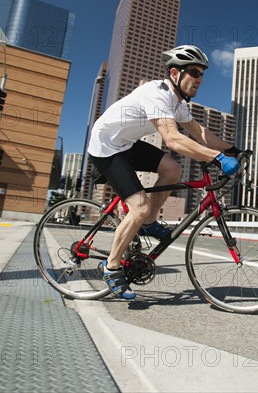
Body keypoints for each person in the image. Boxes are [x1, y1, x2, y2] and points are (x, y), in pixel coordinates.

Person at [87, 45, 241, 299]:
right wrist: (218, 158)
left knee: (172, 169)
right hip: (106, 147)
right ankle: (111, 266)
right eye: (194, 72)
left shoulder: (177, 102)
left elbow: (198, 132)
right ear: (174, 73)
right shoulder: (156, 93)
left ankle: (146, 225)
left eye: (202, 74)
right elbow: (172, 139)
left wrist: (232, 149)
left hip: (127, 144)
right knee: (141, 207)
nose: (200, 79)